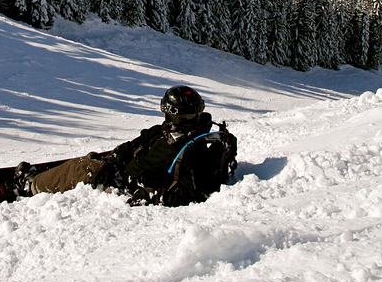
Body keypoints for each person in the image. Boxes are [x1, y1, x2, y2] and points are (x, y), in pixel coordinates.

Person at [14, 86, 237, 207]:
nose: (166, 118)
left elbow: (189, 194)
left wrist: (148, 195)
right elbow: (134, 144)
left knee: (81, 168)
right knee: (95, 160)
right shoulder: (166, 131)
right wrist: (113, 160)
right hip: (127, 172)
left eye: (169, 114)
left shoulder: (191, 150)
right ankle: (60, 176)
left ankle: (31, 186)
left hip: (133, 186)